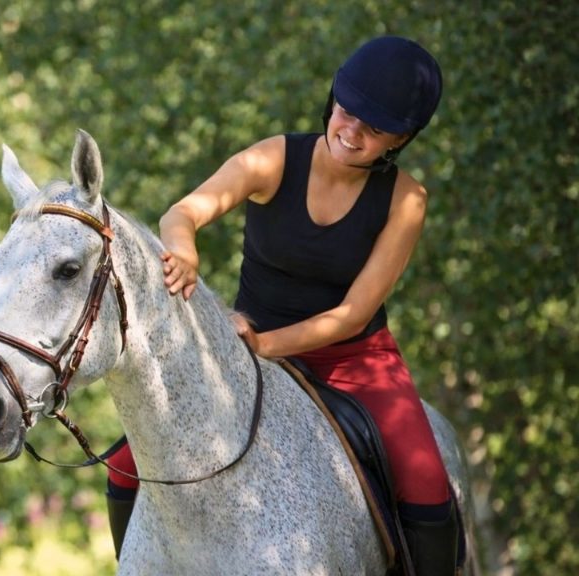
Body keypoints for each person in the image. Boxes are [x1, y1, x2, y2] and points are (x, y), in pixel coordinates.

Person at [104, 36, 458, 574]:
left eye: (374, 128)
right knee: (126, 463)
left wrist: (267, 345)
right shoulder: (274, 158)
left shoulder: (407, 200)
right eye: (347, 111)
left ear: (401, 138)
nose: (351, 131)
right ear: (334, 100)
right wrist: (184, 248)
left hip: (354, 360)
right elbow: (183, 212)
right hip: (246, 343)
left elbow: (354, 314)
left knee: (428, 480)